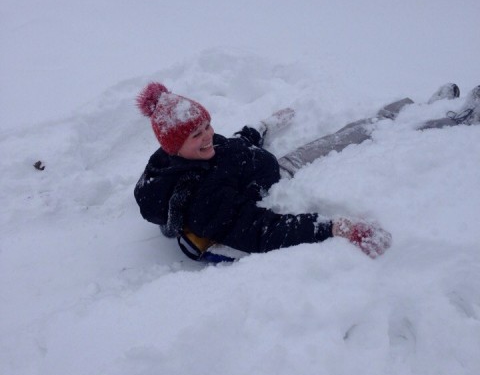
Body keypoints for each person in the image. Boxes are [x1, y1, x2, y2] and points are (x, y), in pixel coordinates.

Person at [134, 82, 479, 263]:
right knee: (373, 144)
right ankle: (450, 121)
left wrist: (260, 128)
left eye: (208, 125)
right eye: (197, 134)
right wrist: (332, 227)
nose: (208, 134)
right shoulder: (203, 198)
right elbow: (262, 232)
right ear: (175, 144)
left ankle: (423, 108)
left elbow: (226, 147)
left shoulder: (186, 153)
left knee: (357, 132)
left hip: (280, 163)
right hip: (287, 181)